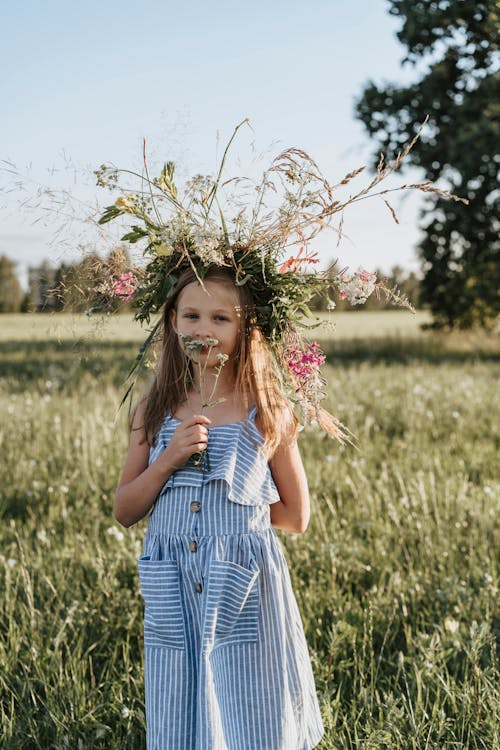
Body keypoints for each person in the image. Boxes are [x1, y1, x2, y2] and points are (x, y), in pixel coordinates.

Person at [114, 265, 325, 749]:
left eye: (220, 319)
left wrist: (232, 517)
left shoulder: (266, 408)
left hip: (244, 585)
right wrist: (167, 461)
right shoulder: (153, 408)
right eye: (191, 315)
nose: (203, 329)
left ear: (246, 327)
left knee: (254, 706)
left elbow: (296, 515)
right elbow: (125, 509)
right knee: (183, 706)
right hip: (176, 587)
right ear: (172, 322)